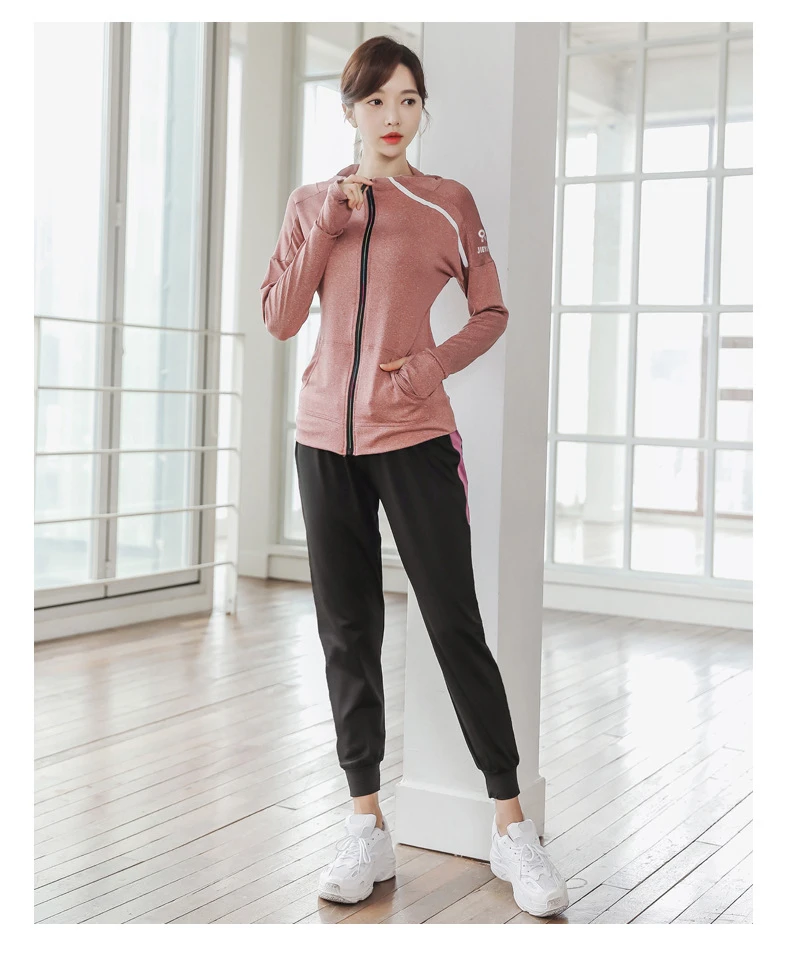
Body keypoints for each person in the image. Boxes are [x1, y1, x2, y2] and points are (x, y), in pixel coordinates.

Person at [259, 34, 569, 919]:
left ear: (423, 108)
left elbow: (491, 310)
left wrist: (425, 368)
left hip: (414, 439)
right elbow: (280, 316)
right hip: (324, 442)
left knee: (453, 624)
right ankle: (365, 823)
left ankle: (512, 825)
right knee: (346, 631)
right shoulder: (313, 202)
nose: (393, 117)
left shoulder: (445, 203)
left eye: (408, 100)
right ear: (350, 110)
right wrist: (331, 219)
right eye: (376, 101)